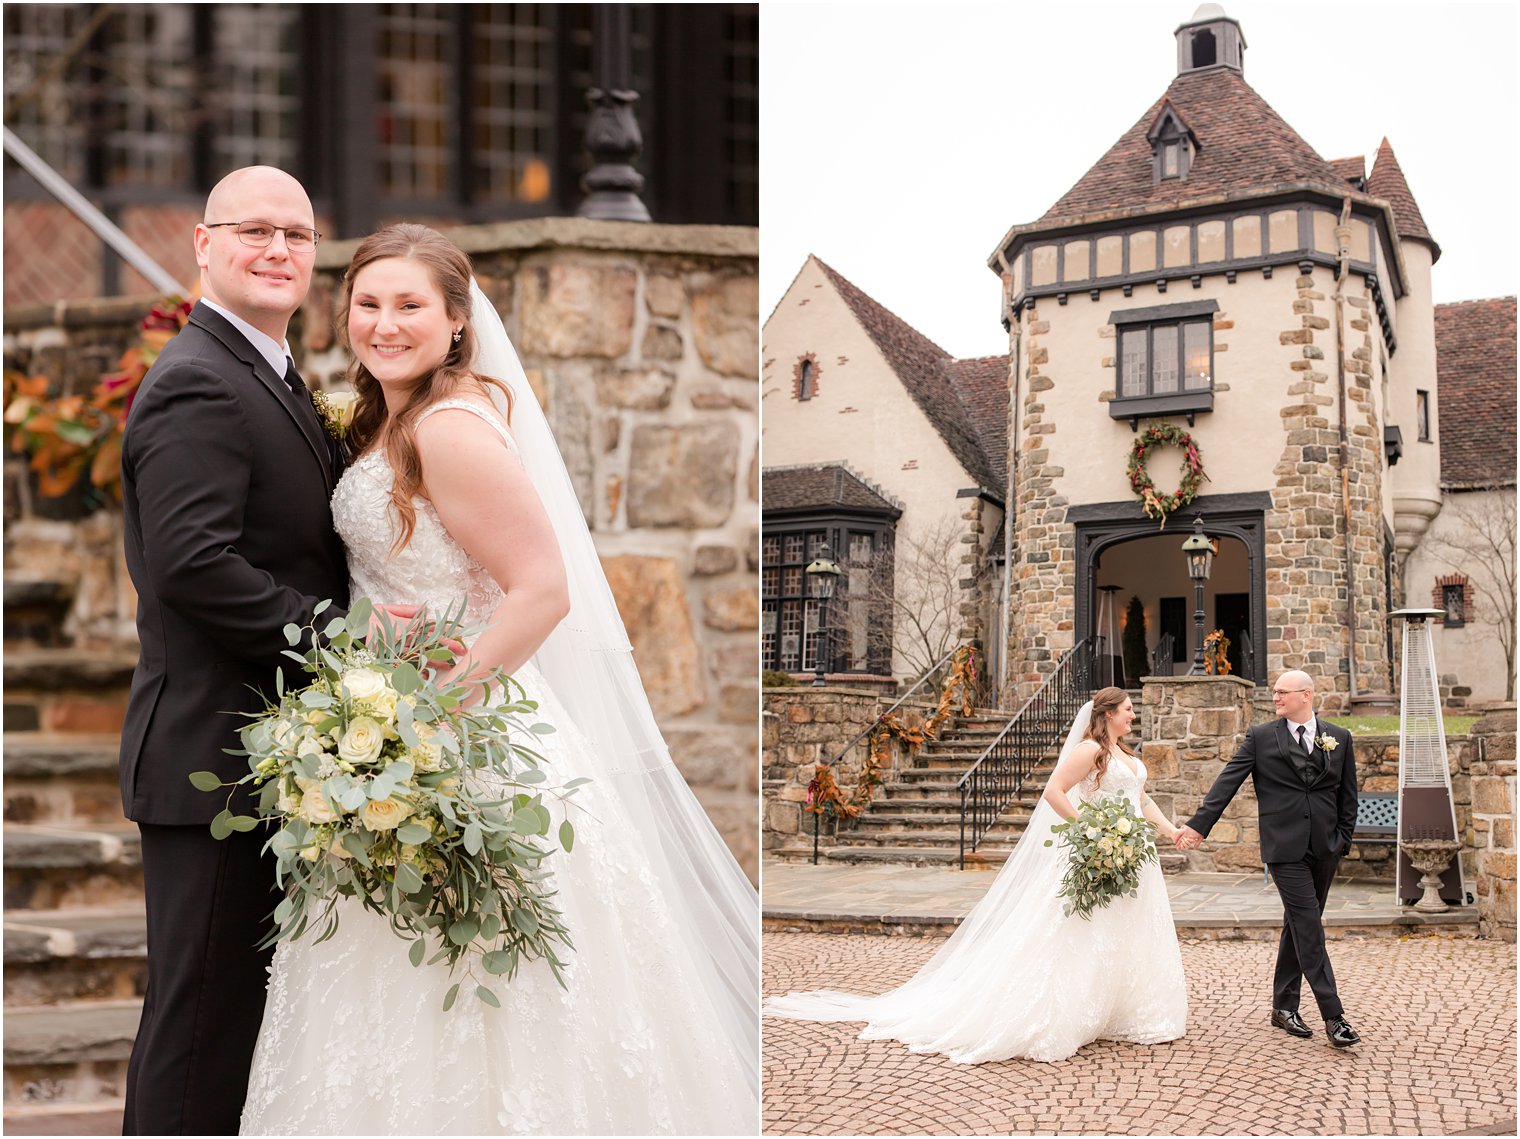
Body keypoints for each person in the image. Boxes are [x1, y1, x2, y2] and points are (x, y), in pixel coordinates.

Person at [239, 224, 759, 1134]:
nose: (384, 324)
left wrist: (429, 719)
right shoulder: (384, 419)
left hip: (465, 737)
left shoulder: (447, 426)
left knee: (481, 986)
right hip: (394, 734)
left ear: (455, 323)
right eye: (368, 303)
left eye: (410, 306)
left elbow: (541, 591)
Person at [116, 166, 357, 1135]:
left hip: (266, 761)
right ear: (203, 246)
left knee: (238, 1024)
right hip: (211, 762)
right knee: (199, 1030)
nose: (277, 250)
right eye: (253, 230)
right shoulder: (198, 381)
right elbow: (191, 564)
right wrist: (340, 637)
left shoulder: (268, 372)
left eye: (296, 235)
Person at [764, 686, 1187, 1063]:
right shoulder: (1087, 751)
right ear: (1108, 713)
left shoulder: (1127, 756)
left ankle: (1118, 1009)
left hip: (1133, 855)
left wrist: (1170, 832)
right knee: (1079, 929)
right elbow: (1054, 792)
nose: (1134, 715)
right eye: (1129, 709)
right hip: (1097, 849)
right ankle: (1061, 1013)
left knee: (1126, 928)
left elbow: (1140, 799)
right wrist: (1090, 829)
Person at [1175, 669, 1361, 1047]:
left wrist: (1343, 838)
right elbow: (1229, 780)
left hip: (1325, 847)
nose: (1275, 698)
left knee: (1298, 924)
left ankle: (1282, 1006)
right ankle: (1334, 1016)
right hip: (1284, 849)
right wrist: (1199, 825)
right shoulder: (1261, 738)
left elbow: (1348, 794)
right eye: (1274, 693)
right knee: (1309, 926)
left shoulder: (1339, 738)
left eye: (1282, 692)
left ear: (1305, 695)